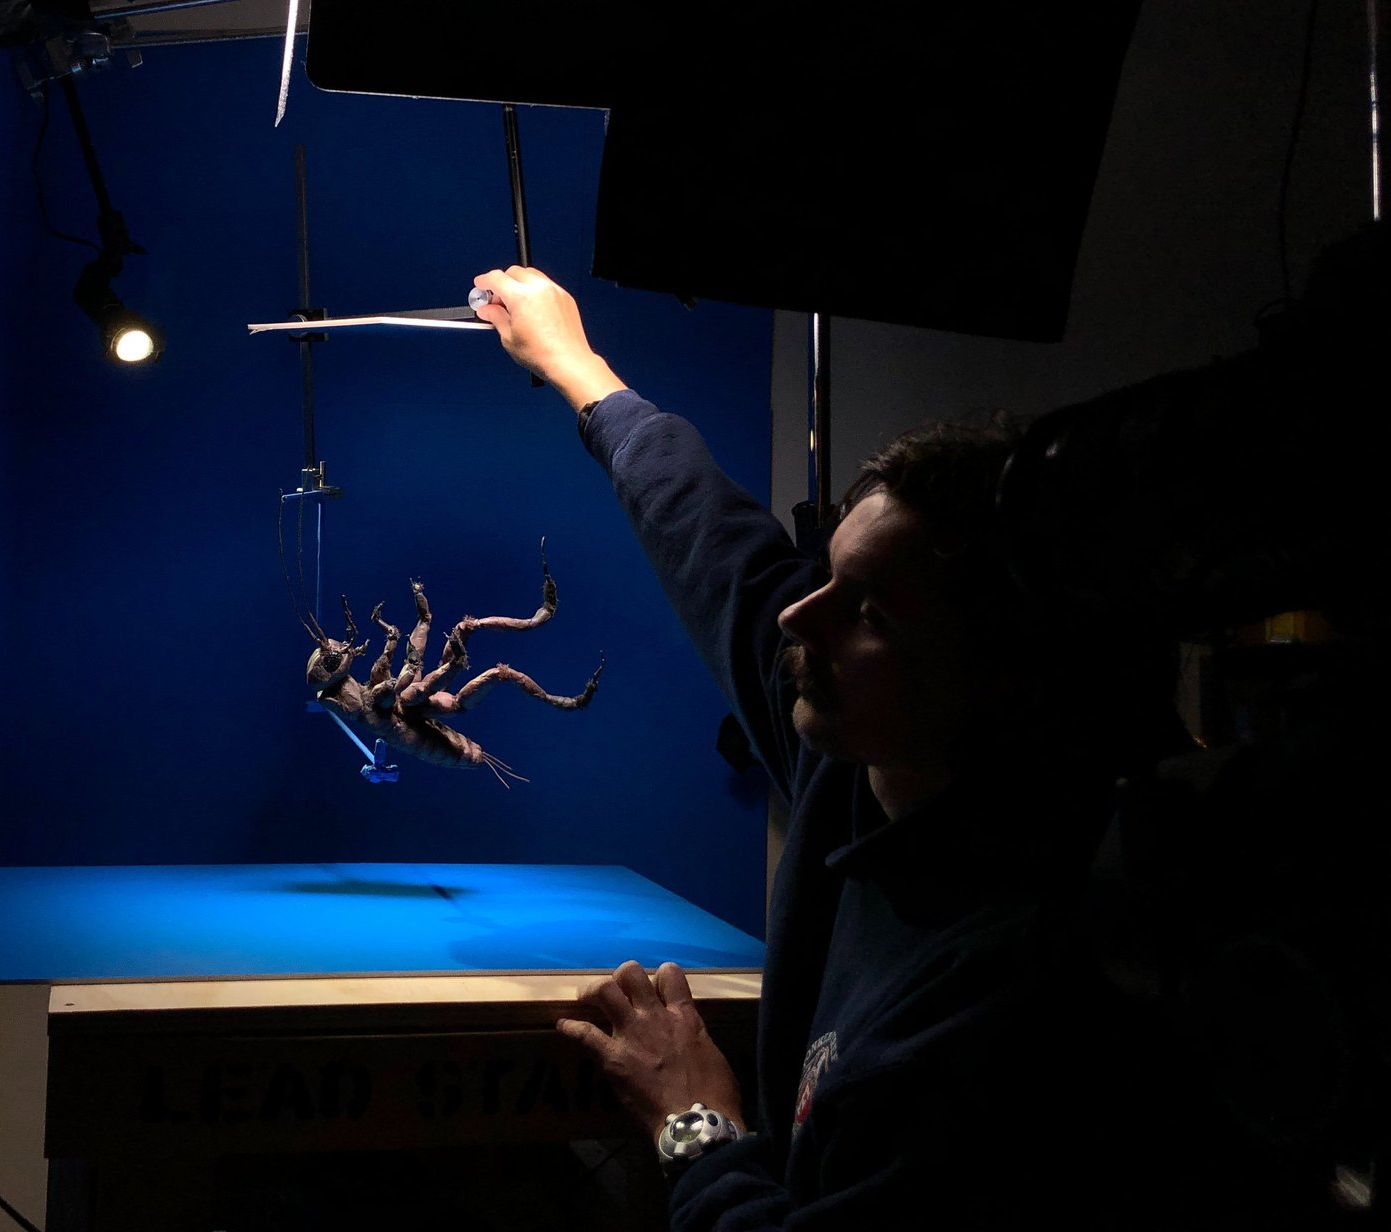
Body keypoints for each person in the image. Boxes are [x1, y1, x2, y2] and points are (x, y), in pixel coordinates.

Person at [470, 264, 1186, 1230]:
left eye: (870, 612)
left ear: (999, 670)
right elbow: (713, 542)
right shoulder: (864, 751)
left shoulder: (1004, 998)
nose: (802, 616)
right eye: (828, 576)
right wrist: (579, 368)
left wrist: (693, 1122)